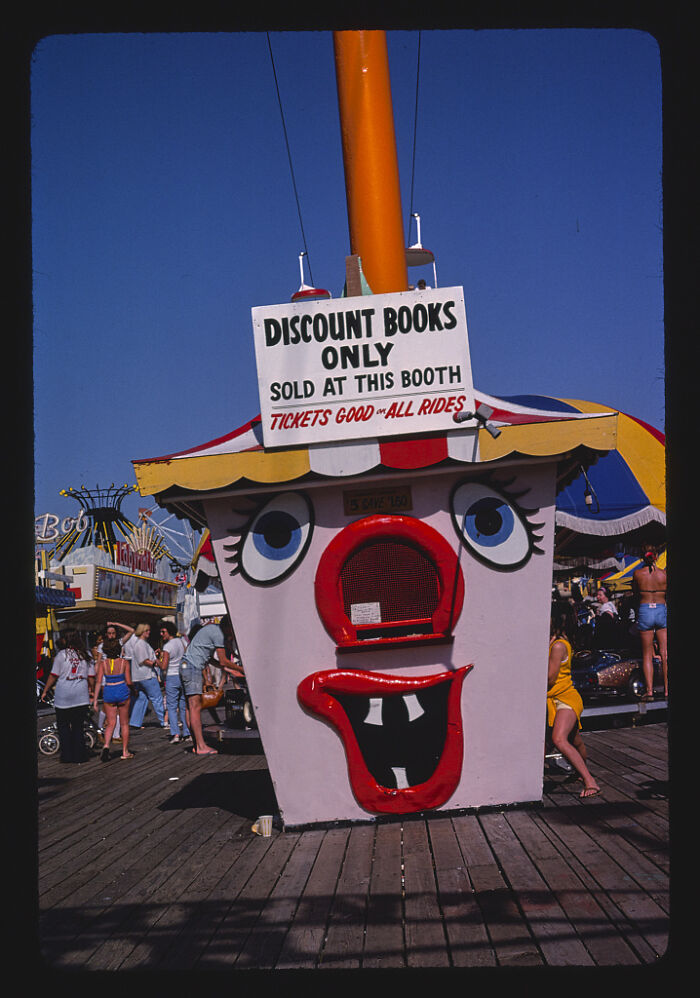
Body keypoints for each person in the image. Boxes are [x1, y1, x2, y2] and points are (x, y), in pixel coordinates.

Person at [547, 604, 600, 799]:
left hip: (565, 699)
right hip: (560, 698)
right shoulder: (557, 642)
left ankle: (590, 782)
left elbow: (550, 679)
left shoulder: (558, 645)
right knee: (574, 740)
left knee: (558, 739)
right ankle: (581, 773)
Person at [180, 615, 244, 755]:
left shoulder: (212, 629)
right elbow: (223, 661)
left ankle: (197, 744)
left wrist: (230, 670)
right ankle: (201, 747)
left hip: (186, 665)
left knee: (189, 707)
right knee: (195, 707)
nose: (232, 633)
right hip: (192, 667)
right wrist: (242, 669)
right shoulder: (219, 633)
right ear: (228, 627)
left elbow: (209, 659)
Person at [40, 630, 96, 764]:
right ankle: (80, 755)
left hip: (63, 696)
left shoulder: (61, 655)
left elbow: (53, 675)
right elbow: (91, 677)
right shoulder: (86, 655)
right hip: (80, 695)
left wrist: (45, 690)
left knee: (63, 727)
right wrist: (92, 690)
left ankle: (67, 755)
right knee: (78, 727)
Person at [633, 548, 668, 700]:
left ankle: (649, 691)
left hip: (645, 609)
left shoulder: (637, 574)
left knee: (647, 654)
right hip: (661, 608)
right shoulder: (664, 574)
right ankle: (667, 690)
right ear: (656, 557)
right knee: (664, 653)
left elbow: (634, 593)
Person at [92, 637, 134, 760]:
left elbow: (99, 682)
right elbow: (129, 681)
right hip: (122, 690)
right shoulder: (124, 663)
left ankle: (106, 745)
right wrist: (134, 690)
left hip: (108, 692)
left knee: (110, 723)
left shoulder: (103, 664)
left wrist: (95, 700)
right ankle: (125, 751)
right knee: (124, 723)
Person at [129, 623, 166, 729]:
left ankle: (135, 722)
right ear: (142, 631)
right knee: (157, 698)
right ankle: (164, 720)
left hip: (139, 677)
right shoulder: (141, 644)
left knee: (142, 698)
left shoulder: (141, 644)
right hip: (147, 675)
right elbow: (144, 660)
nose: (149, 632)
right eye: (147, 630)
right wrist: (157, 663)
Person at [160, 621, 190, 743]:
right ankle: (187, 732)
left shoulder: (167, 647)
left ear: (169, 631)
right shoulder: (181, 642)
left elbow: (163, 666)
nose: (161, 634)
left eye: (163, 632)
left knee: (171, 707)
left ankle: (175, 733)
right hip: (182, 675)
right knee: (183, 706)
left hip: (172, 676)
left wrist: (156, 661)